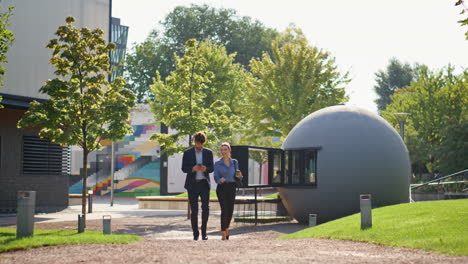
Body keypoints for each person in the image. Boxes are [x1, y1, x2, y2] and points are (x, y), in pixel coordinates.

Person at [181, 132, 214, 241]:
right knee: (194, 210)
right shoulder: (187, 153)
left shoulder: (209, 153)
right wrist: (192, 169)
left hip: (204, 184)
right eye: (197, 143)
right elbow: (183, 168)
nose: (199, 145)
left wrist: (206, 169)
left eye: (201, 143)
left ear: (204, 142)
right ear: (194, 142)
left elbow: (211, 168)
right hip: (192, 184)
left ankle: (204, 232)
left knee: (205, 208)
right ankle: (195, 233)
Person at [214, 142, 242, 240]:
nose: (223, 152)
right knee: (224, 210)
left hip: (232, 187)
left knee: (230, 211)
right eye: (222, 150)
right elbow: (215, 177)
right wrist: (219, 180)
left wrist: (239, 176)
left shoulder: (235, 162)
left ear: (229, 150)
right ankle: (223, 233)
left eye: (225, 149)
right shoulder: (217, 163)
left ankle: (226, 228)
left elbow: (238, 175)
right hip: (222, 188)